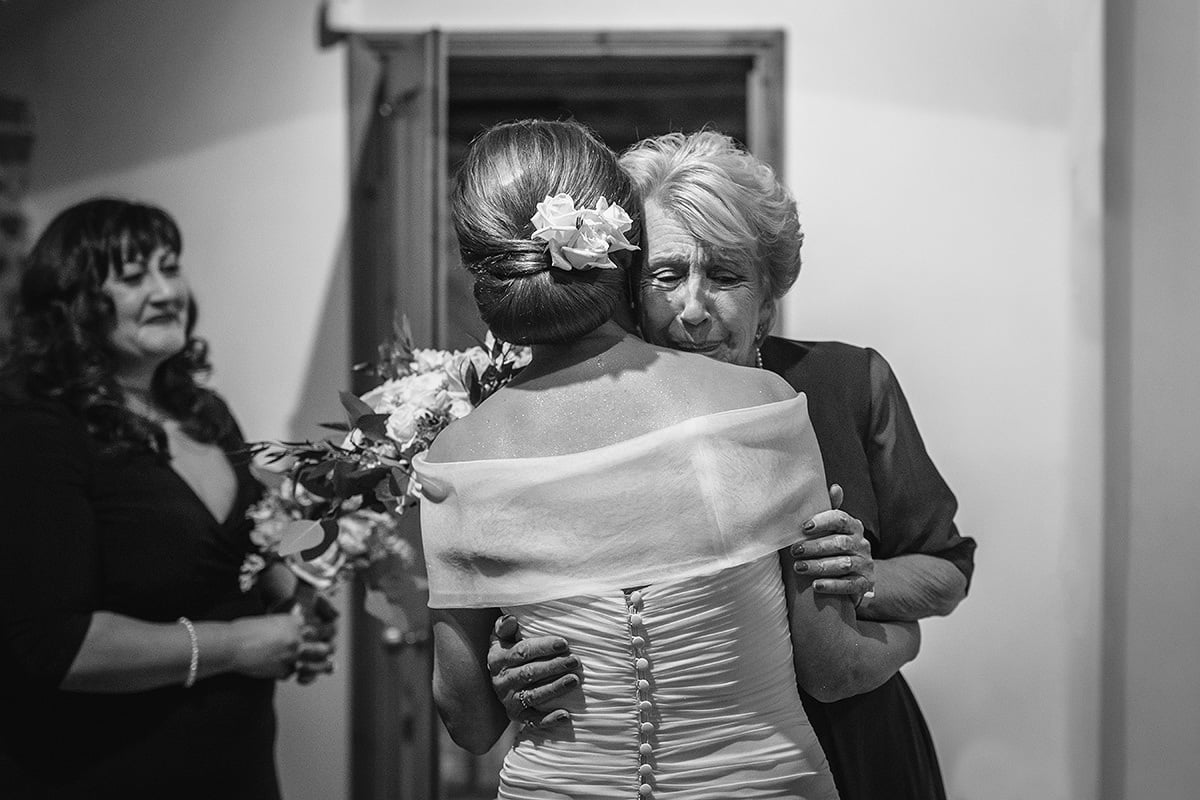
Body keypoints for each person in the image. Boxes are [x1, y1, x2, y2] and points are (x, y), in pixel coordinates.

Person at [415, 119, 924, 799]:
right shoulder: (757, 405)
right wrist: (906, 637)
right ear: (619, 257)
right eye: (667, 273)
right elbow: (829, 668)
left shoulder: (455, 457)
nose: (692, 307)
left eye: (725, 274)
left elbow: (467, 721)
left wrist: (503, 661)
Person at [0, 198, 336, 799]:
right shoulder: (39, 431)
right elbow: (52, 646)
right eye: (133, 277)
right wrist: (237, 647)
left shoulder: (206, 414)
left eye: (170, 266)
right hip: (104, 772)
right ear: (71, 303)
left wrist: (305, 601)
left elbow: (254, 548)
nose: (166, 291)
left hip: (237, 766)